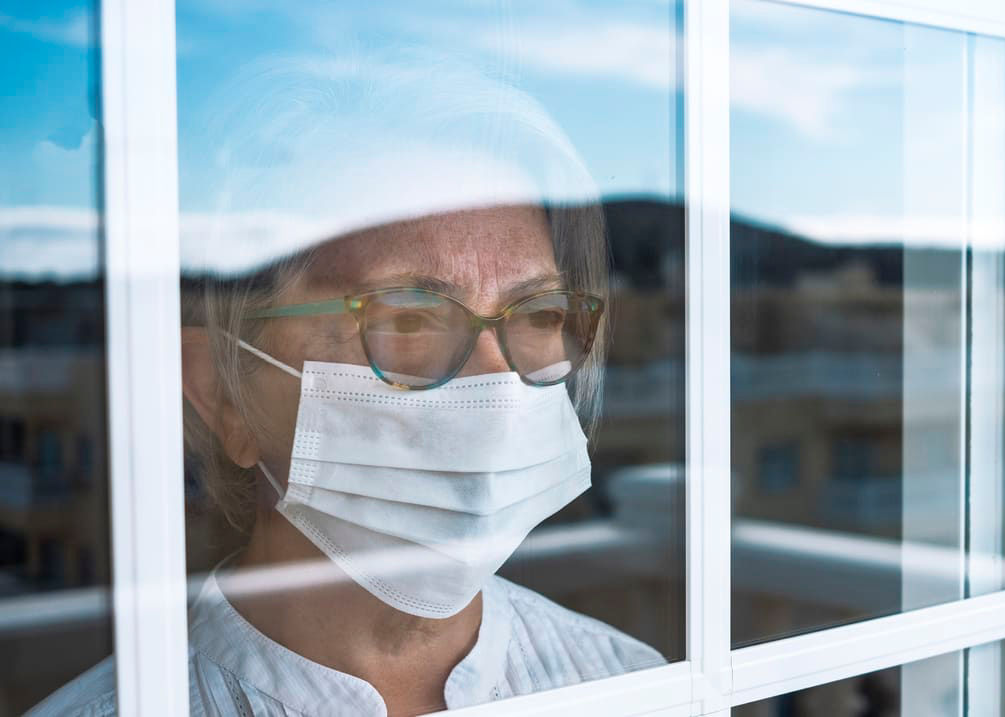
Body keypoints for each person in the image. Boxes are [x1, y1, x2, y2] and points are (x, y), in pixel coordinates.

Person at [31, 50, 663, 717]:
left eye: (540, 313)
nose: (498, 385)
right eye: (411, 316)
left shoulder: (631, 685)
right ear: (221, 392)